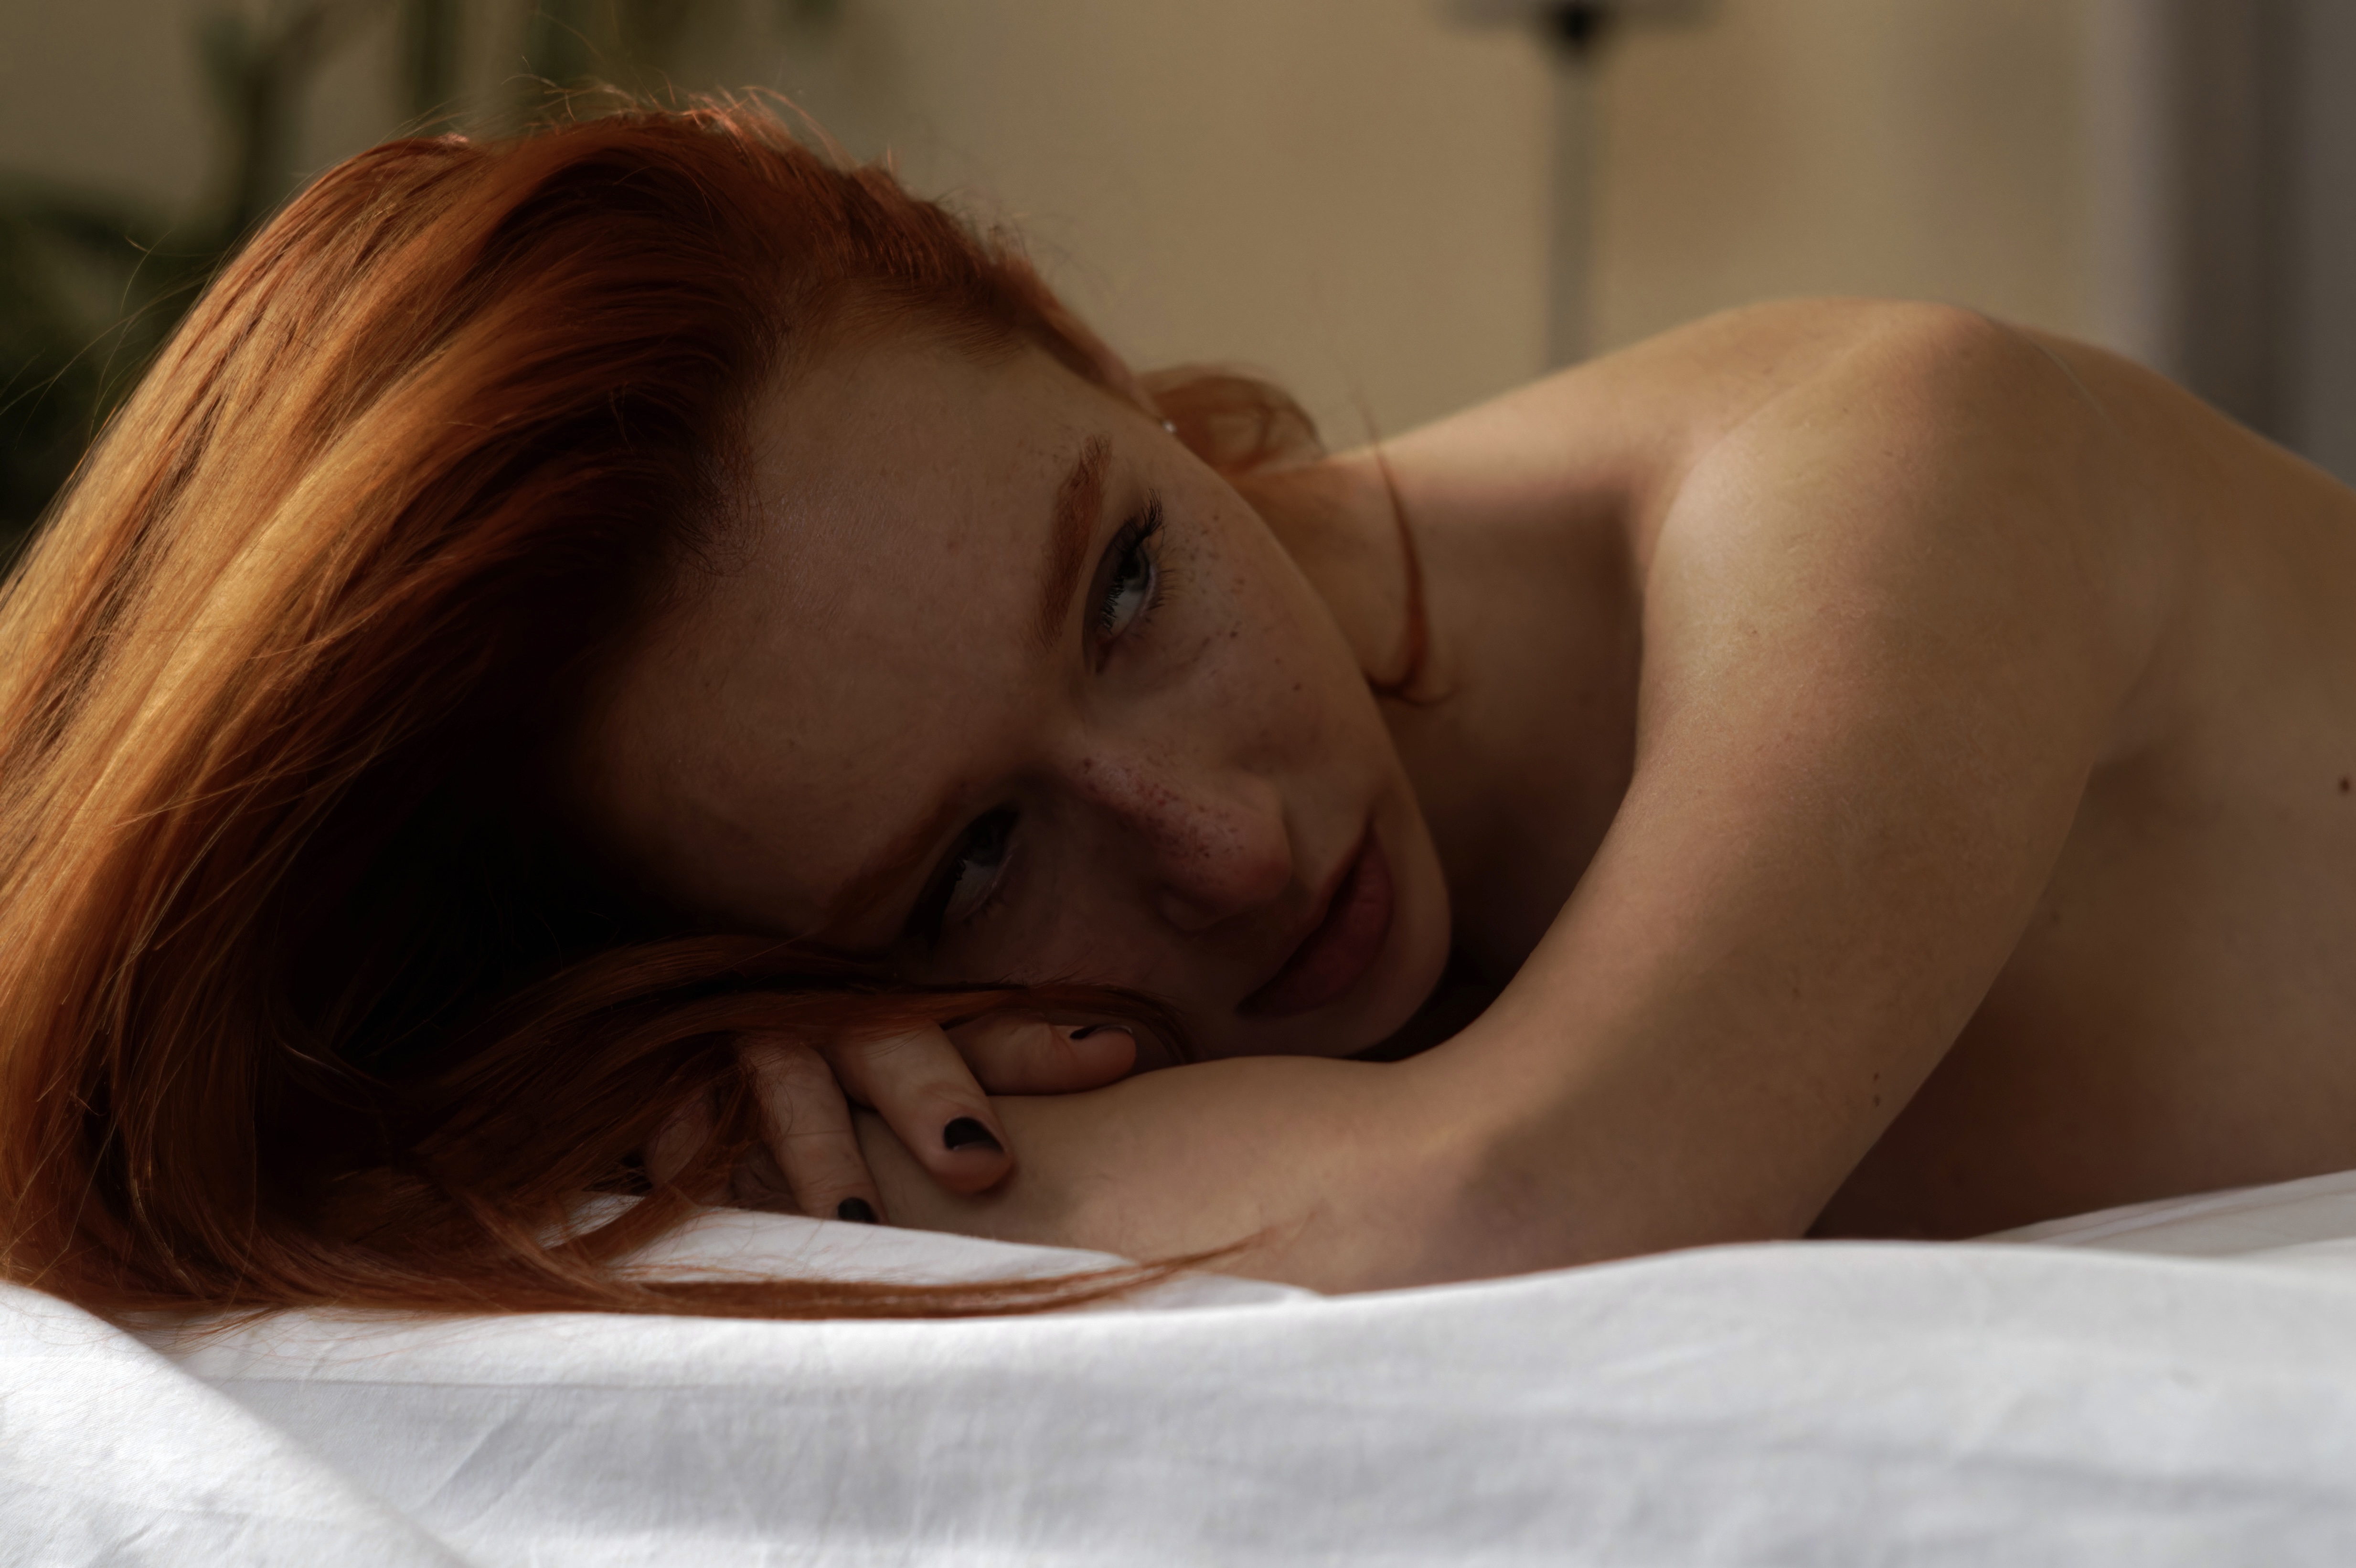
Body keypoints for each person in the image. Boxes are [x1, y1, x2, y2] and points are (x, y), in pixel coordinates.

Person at [5, 101, 2354, 1320]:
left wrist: (679, 1162)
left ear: (1082, 351)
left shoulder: (1898, 464)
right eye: (972, 865)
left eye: (1128, 577)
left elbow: (1526, 1205)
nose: (1224, 844)